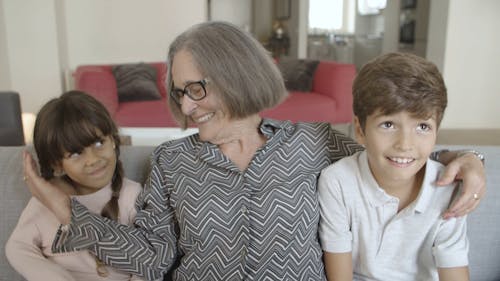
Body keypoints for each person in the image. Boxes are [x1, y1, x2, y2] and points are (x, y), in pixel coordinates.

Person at [22, 22, 485, 281]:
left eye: (197, 89)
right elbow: (155, 257)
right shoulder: (172, 162)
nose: (186, 107)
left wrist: (466, 160)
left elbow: (396, 151)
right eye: (180, 93)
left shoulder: (313, 142)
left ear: (237, 75)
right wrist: (61, 207)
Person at [318, 52, 470, 281]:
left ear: (436, 130)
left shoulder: (448, 189)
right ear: (360, 130)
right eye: (388, 124)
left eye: (422, 127)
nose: (405, 144)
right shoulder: (337, 182)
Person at [6, 91, 144, 281]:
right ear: (57, 165)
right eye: (76, 154)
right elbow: (18, 247)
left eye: (98, 143)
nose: (93, 160)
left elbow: (148, 264)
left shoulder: (133, 196)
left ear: (112, 140)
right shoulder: (46, 201)